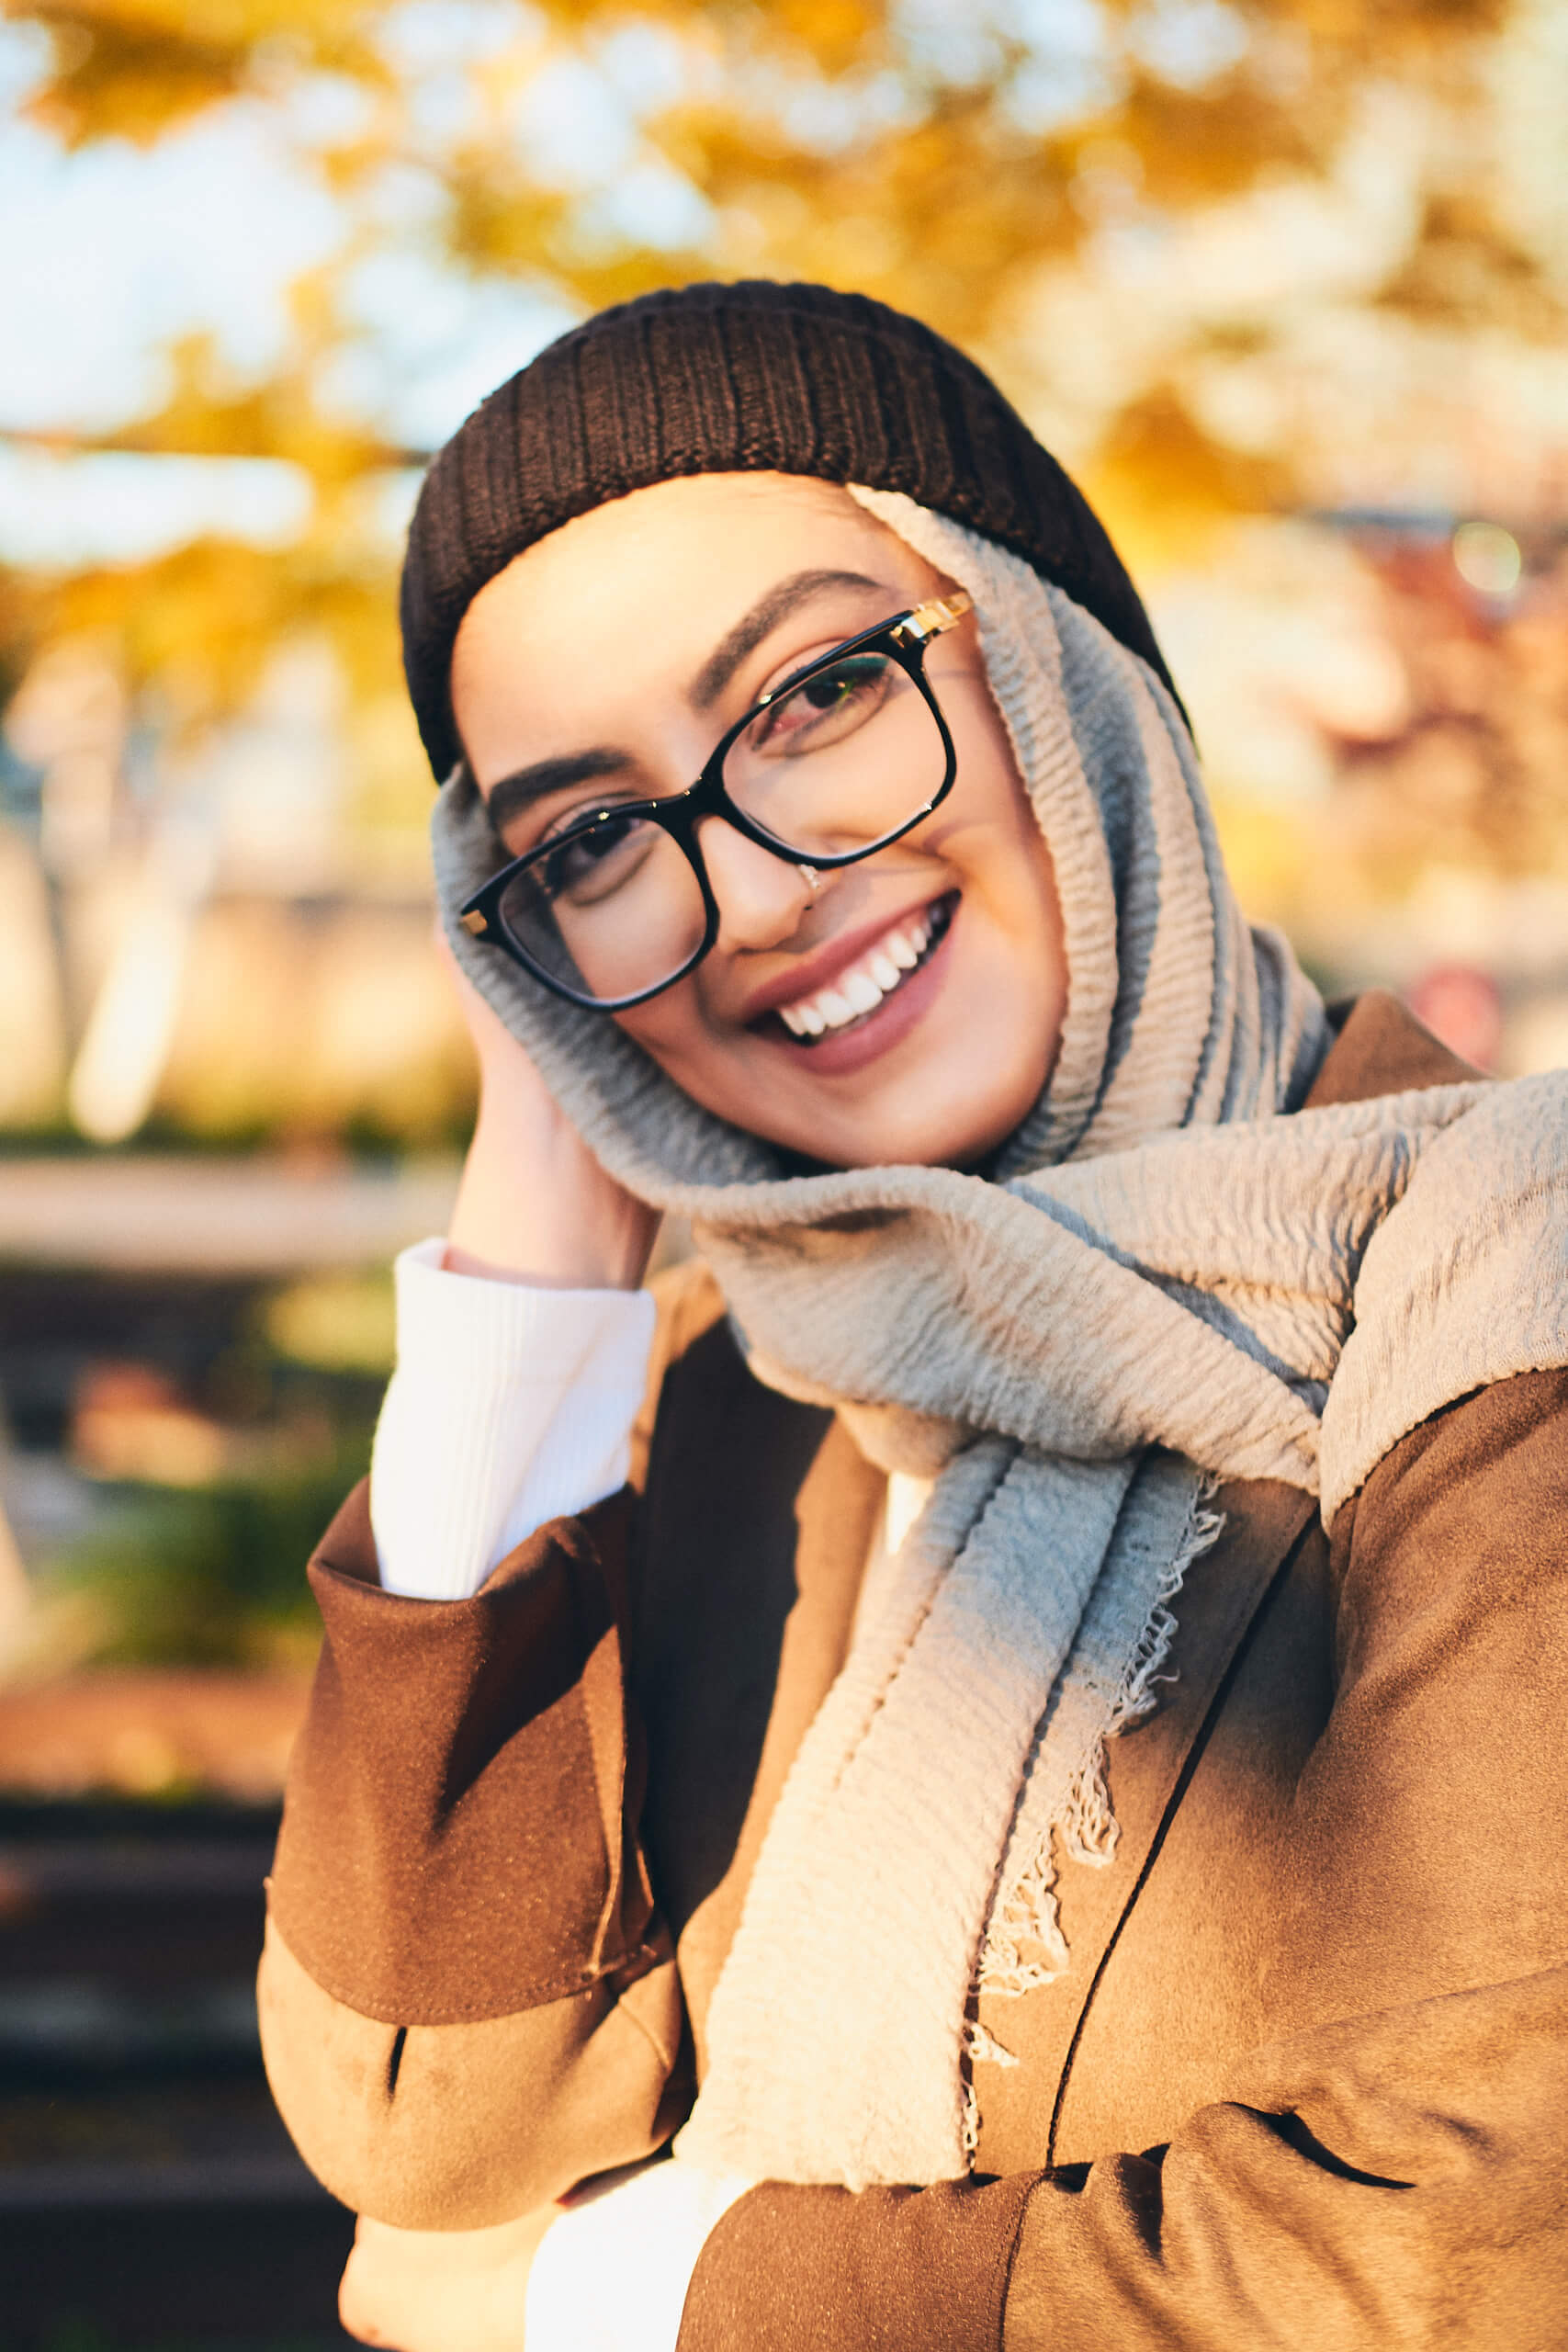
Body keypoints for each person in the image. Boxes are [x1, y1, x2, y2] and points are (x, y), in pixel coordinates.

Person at [259, 281, 1568, 2352]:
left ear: (1053, 652)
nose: (759, 891)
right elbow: (418, 2126)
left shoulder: (1502, 1269)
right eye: (592, 839)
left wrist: (629, 2290)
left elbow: (1465, 2258)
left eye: (812, 693)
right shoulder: (735, 1389)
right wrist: (534, 1246)